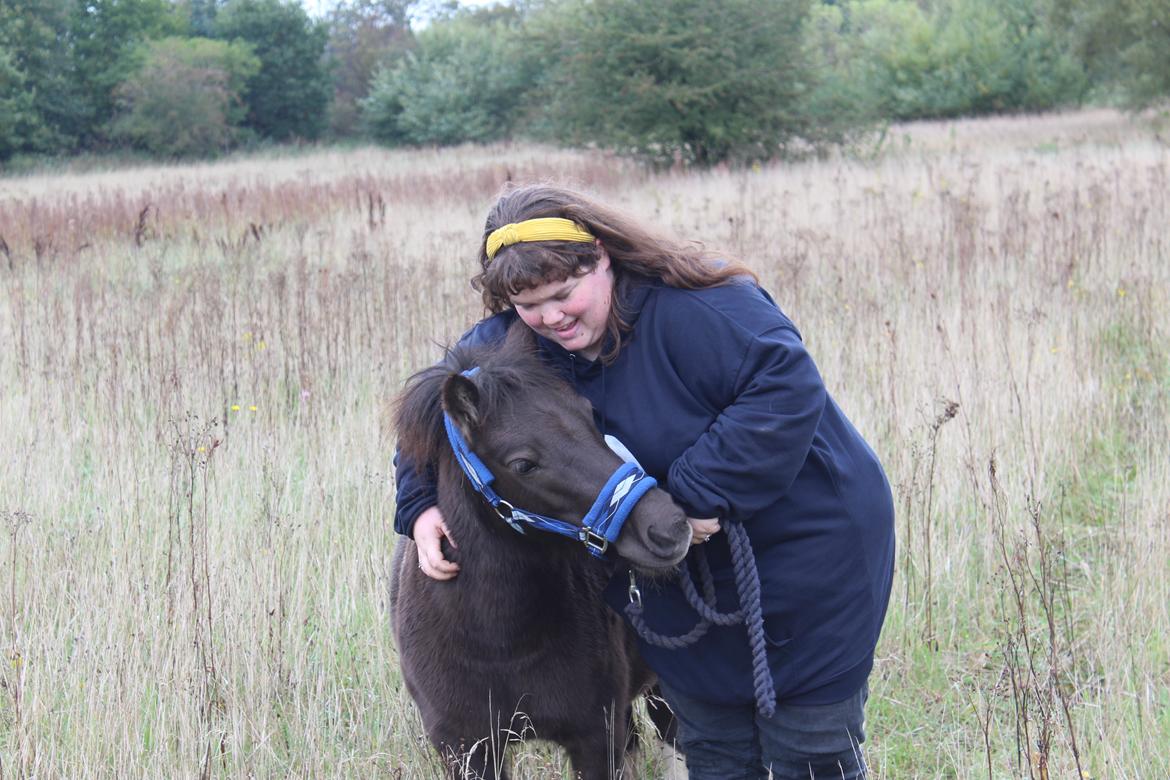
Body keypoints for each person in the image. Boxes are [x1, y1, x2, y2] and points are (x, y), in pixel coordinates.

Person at [394, 184, 895, 779]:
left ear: (601, 256)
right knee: (716, 746)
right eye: (528, 305)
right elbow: (444, 408)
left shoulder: (698, 307)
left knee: (808, 748)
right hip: (669, 553)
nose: (551, 317)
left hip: (804, 543)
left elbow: (785, 388)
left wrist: (690, 493)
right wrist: (420, 504)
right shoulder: (521, 341)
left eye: (564, 292)